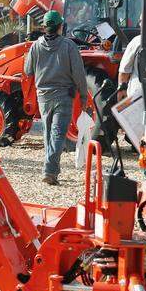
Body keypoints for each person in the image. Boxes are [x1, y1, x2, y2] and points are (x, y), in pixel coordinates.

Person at [23, 10, 88, 185]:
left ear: (45, 27)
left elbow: (27, 70)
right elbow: (79, 74)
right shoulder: (68, 46)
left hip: (43, 96)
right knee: (58, 134)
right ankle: (50, 171)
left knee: (48, 133)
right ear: (60, 26)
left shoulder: (35, 46)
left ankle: (52, 170)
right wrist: (83, 96)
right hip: (64, 96)